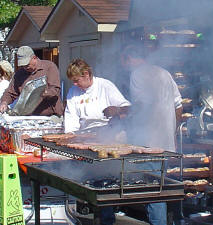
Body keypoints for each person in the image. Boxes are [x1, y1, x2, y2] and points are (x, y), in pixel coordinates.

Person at [121, 44, 182, 225]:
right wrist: (173, 134)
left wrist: (119, 111)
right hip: (165, 142)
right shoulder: (164, 73)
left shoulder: (137, 74)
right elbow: (178, 106)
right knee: (162, 185)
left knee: (152, 188)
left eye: (123, 62)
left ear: (129, 59)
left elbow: (142, 106)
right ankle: (173, 221)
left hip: (149, 142)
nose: (123, 67)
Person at [64, 59, 131, 225]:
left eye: (77, 80)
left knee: (102, 178)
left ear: (86, 74)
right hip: (85, 136)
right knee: (89, 178)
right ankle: (90, 213)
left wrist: (116, 111)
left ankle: (106, 218)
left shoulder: (105, 85)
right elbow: (71, 115)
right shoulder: (73, 91)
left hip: (108, 134)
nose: (75, 83)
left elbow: (127, 107)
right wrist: (70, 135)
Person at [0, 46, 64, 116]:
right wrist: (4, 102)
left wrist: (42, 93)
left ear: (34, 58)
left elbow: (55, 89)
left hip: (51, 115)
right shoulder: (19, 74)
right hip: (29, 116)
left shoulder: (49, 67)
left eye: (27, 64)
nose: (25, 67)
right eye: (23, 65)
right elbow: (10, 92)